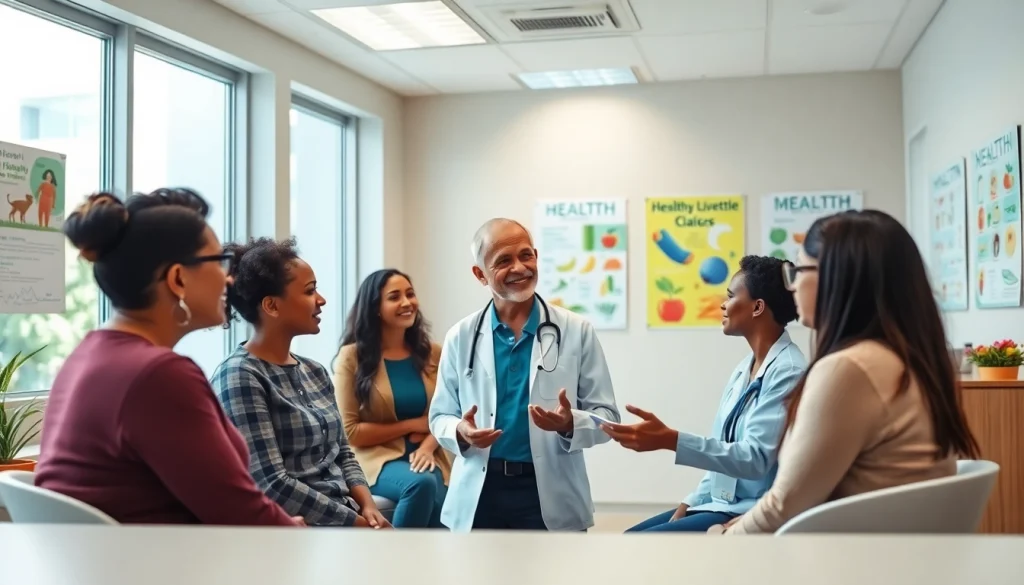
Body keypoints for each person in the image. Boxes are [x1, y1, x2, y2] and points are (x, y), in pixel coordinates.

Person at [35, 189, 300, 526]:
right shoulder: (158, 375)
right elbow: (242, 516)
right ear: (177, 279)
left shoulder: (87, 355)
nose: (229, 277)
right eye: (219, 261)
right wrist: (299, 533)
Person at [715, 210, 980, 535]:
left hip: (851, 559)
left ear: (837, 278)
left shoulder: (849, 369)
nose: (793, 286)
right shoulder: (904, 359)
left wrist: (724, 537)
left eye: (799, 271)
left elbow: (785, 506)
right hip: (897, 554)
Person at [428, 218, 620, 532]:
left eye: (526, 255)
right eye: (503, 261)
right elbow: (439, 416)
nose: (519, 267)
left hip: (548, 491)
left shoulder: (576, 330)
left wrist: (570, 423)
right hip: (481, 492)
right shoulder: (460, 336)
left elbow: (608, 416)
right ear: (480, 274)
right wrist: (461, 430)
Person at [603, 255, 807, 533]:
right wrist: (693, 499)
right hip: (717, 502)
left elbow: (755, 458)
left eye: (731, 296)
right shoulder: (743, 369)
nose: (723, 304)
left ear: (757, 307)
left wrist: (672, 440)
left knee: (635, 547)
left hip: (751, 509)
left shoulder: (788, 371)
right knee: (628, 539)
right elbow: (723, 444)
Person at [211, 237, 390, 529]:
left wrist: (368, 507)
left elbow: (343, 453)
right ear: (271, 305)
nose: (321, 300)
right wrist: (356, 525)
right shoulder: (239, 376)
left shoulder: (315, 371)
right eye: (310, 291)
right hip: (296, 530)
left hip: (345, 517)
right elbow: (271, 483)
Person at [333, 269, 451, 528]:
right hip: (374, 459)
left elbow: (449, 411)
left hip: (428, 455)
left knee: (446, 510)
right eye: (394, 297)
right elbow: (350, 432)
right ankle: (393, 560)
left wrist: (428, 445)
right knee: (420, 484)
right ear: (375, 307)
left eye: (410, 294)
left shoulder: (434, 352)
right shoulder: (351, 357)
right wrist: (413, 425)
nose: (407, 302)